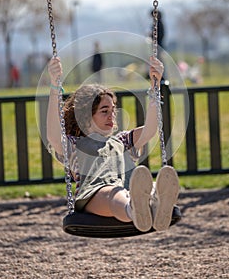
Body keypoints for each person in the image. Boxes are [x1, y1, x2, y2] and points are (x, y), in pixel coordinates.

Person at [47, 56, 179, 233]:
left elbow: (150, 130)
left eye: (112, 110)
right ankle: (136, 210)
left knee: (147, 188)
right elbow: (54, 137)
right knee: (113, 193)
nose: (112, 116)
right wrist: (54, 87)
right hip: (95, 196)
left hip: (127, 190)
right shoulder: (74, 145)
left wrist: (155, 87)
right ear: (86, 115)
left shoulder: (122, 141)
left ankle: (155, 204)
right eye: (104, 111)